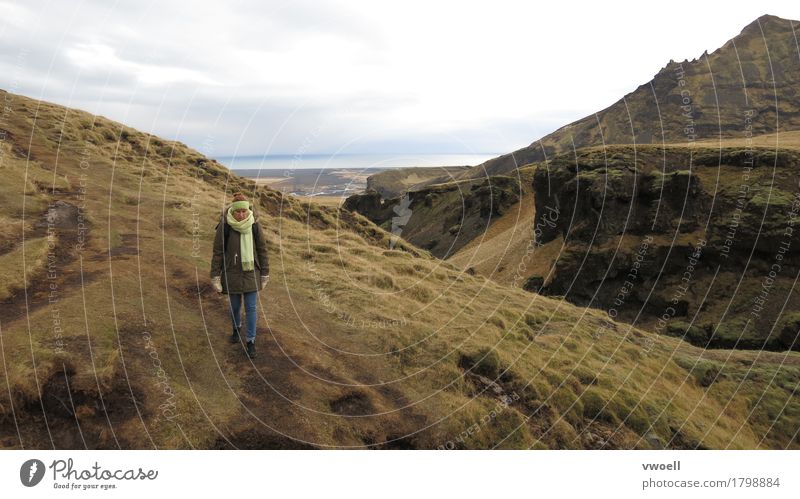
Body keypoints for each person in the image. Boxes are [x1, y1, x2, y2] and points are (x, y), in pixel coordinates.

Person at [210, 193, 269, 359]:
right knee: (235, 307)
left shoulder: (255, 225)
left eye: (244, 211)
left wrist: (265, 272)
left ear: (248, 210)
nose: (241, 214)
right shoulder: (225, 225)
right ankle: (236, 328)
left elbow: (262, 250)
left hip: (251, 272)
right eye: (238, 211)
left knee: (251, 308)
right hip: (232, 272)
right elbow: (218, 252)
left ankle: (251, 341)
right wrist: (215, 275)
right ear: (233, 211)